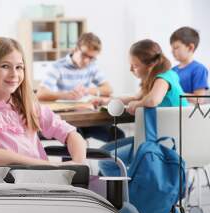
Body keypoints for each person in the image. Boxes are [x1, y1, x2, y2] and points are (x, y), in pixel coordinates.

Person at [0, 37, 87, 166]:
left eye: (19, 67)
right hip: (9, 184)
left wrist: (78, 163)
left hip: (43, 181)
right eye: (5, 66)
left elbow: (71, 134)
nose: (14, 74)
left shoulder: (28, 107)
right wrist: (48, 166)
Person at [93, 39, 189, 176]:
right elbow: (135, 97)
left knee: (106, 161)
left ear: (151, 64)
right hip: (157, 138)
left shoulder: (163, 79)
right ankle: (127, 187)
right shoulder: (159, 78)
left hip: (164, 142)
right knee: (103, 151)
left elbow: (152, 100)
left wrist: (136, 105)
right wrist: (105, 101)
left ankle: (130, 194)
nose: (131, 69)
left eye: (135, 65)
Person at [36, 32, 124, 142]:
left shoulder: (92, 66)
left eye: (91, 58)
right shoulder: (57, 66)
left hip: (86, 117)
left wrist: (87, 91)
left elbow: (108, 89)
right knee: (75, 139)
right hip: (66, 119)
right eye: (84, 55)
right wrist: (66, 95)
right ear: (75, 49)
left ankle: (107, 160)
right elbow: (40, 94)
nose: (87, 60)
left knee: (118, 136)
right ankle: (73, 158)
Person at [170, 26, 208, 104]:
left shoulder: (199, 69)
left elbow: (200, 99)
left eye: (176, 47)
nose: (172, 51)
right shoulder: (172, 70)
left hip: (187, 112)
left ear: (190, 47)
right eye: (172, 48)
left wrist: (178, 94)